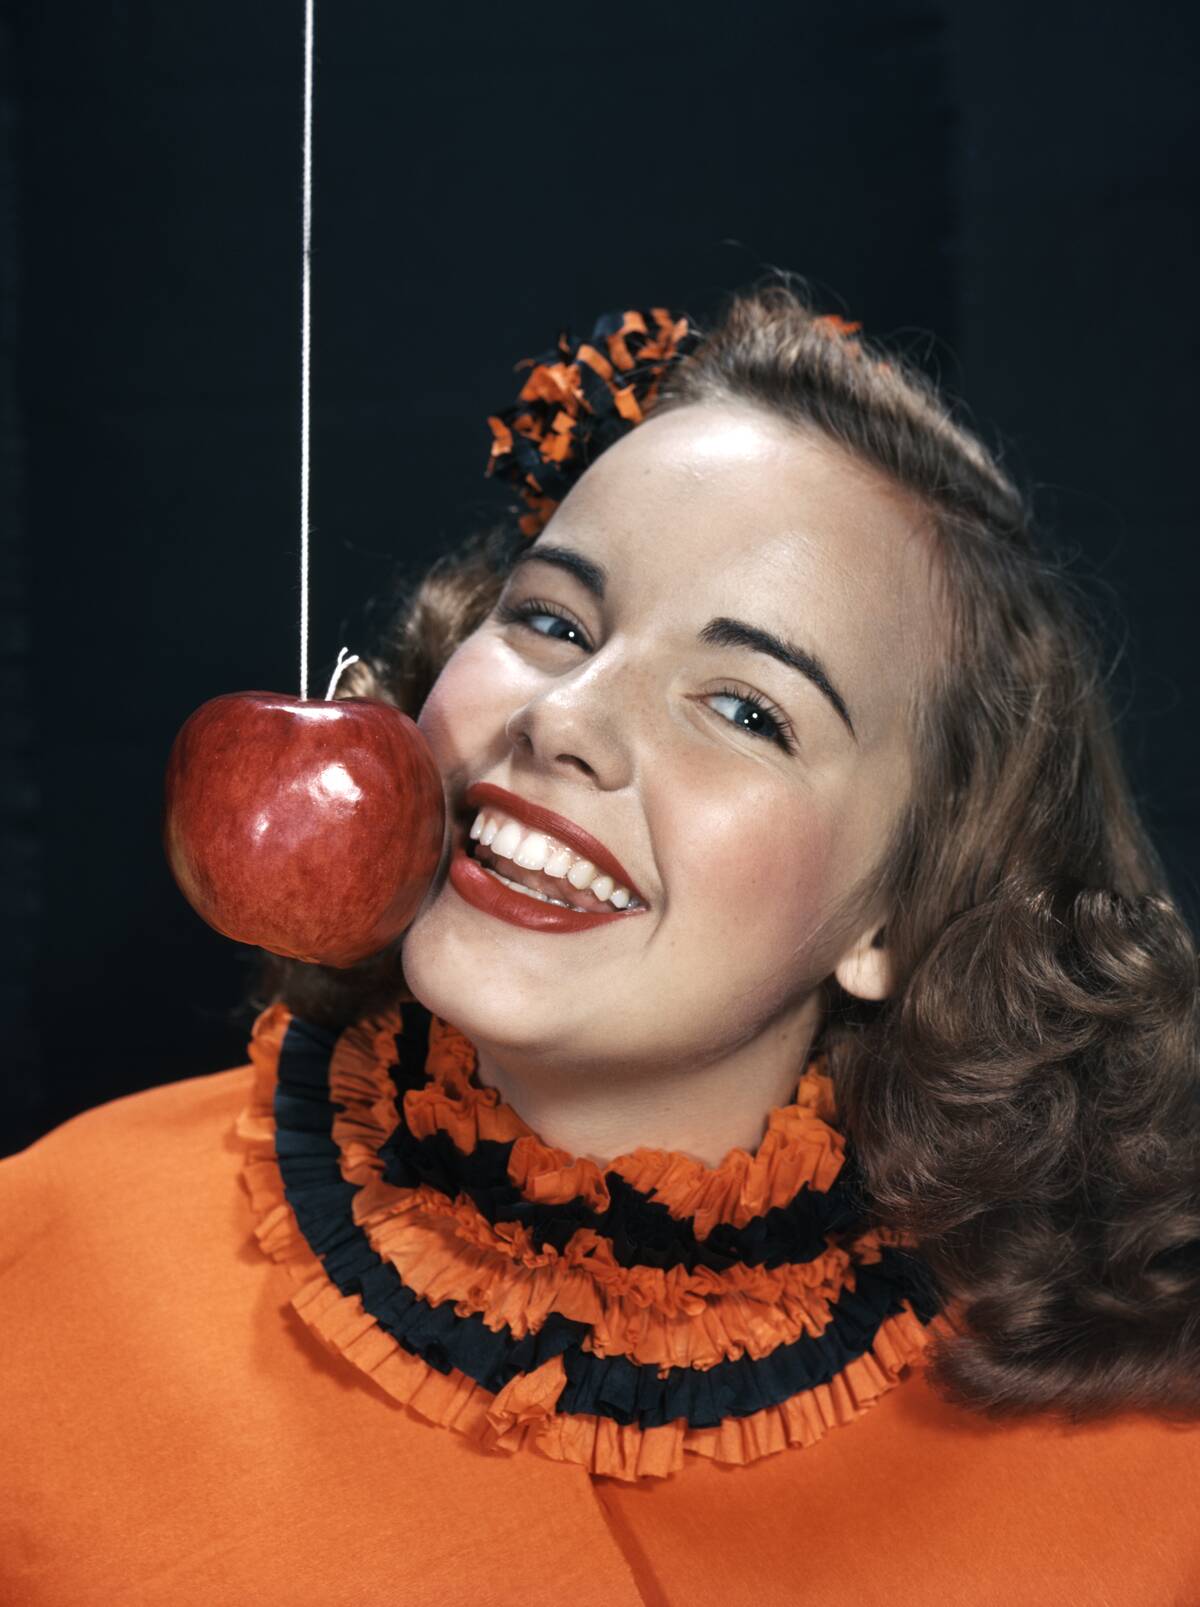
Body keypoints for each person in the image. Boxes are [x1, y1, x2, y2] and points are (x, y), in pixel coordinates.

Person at [2, 280, 1198, 1605]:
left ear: (899, 912)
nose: (566, 715)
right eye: (555, 621)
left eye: (746, 709)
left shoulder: (1153, 1486)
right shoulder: (42, 1265)